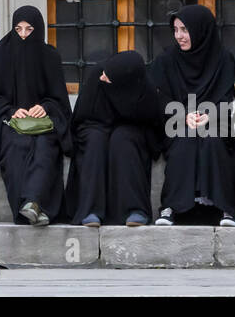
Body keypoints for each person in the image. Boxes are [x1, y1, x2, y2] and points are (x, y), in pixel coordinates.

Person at [149, 4, 235, 226]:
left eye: (185, 30)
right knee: (186, 140)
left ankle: (224, 209)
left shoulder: (222, 59)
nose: (179, 36)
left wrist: (211, 114)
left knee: (213, 140)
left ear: (201, 30)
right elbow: (158, 99)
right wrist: (183, 115)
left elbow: (229, 100)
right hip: (177, 122)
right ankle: (171, 207)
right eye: (176, 30)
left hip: (215, 122)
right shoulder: (167, 60)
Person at [0, 5, 71, 226]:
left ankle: (32, 203)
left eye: (29, 29)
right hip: (10, 122)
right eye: (18, 29)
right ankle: (32, 206)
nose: (23, 35)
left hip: (43, 124)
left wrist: (45, 107)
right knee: (16, 146)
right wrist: (12, 111)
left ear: (38, 29)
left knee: (45, 145)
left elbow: (58, 98)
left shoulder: (49, 56)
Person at [64, 49, 167, 226]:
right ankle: (91, 210)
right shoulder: (97, 76)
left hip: (131, 128)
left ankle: (135, 209)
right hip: (94, 126)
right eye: (104, 74)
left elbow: (153, 125)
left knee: (124, 139)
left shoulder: (143, 90)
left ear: (123, 82)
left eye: (108, 78)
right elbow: (80, 120)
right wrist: (105, 129)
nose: (103, 78)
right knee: (96, 140)